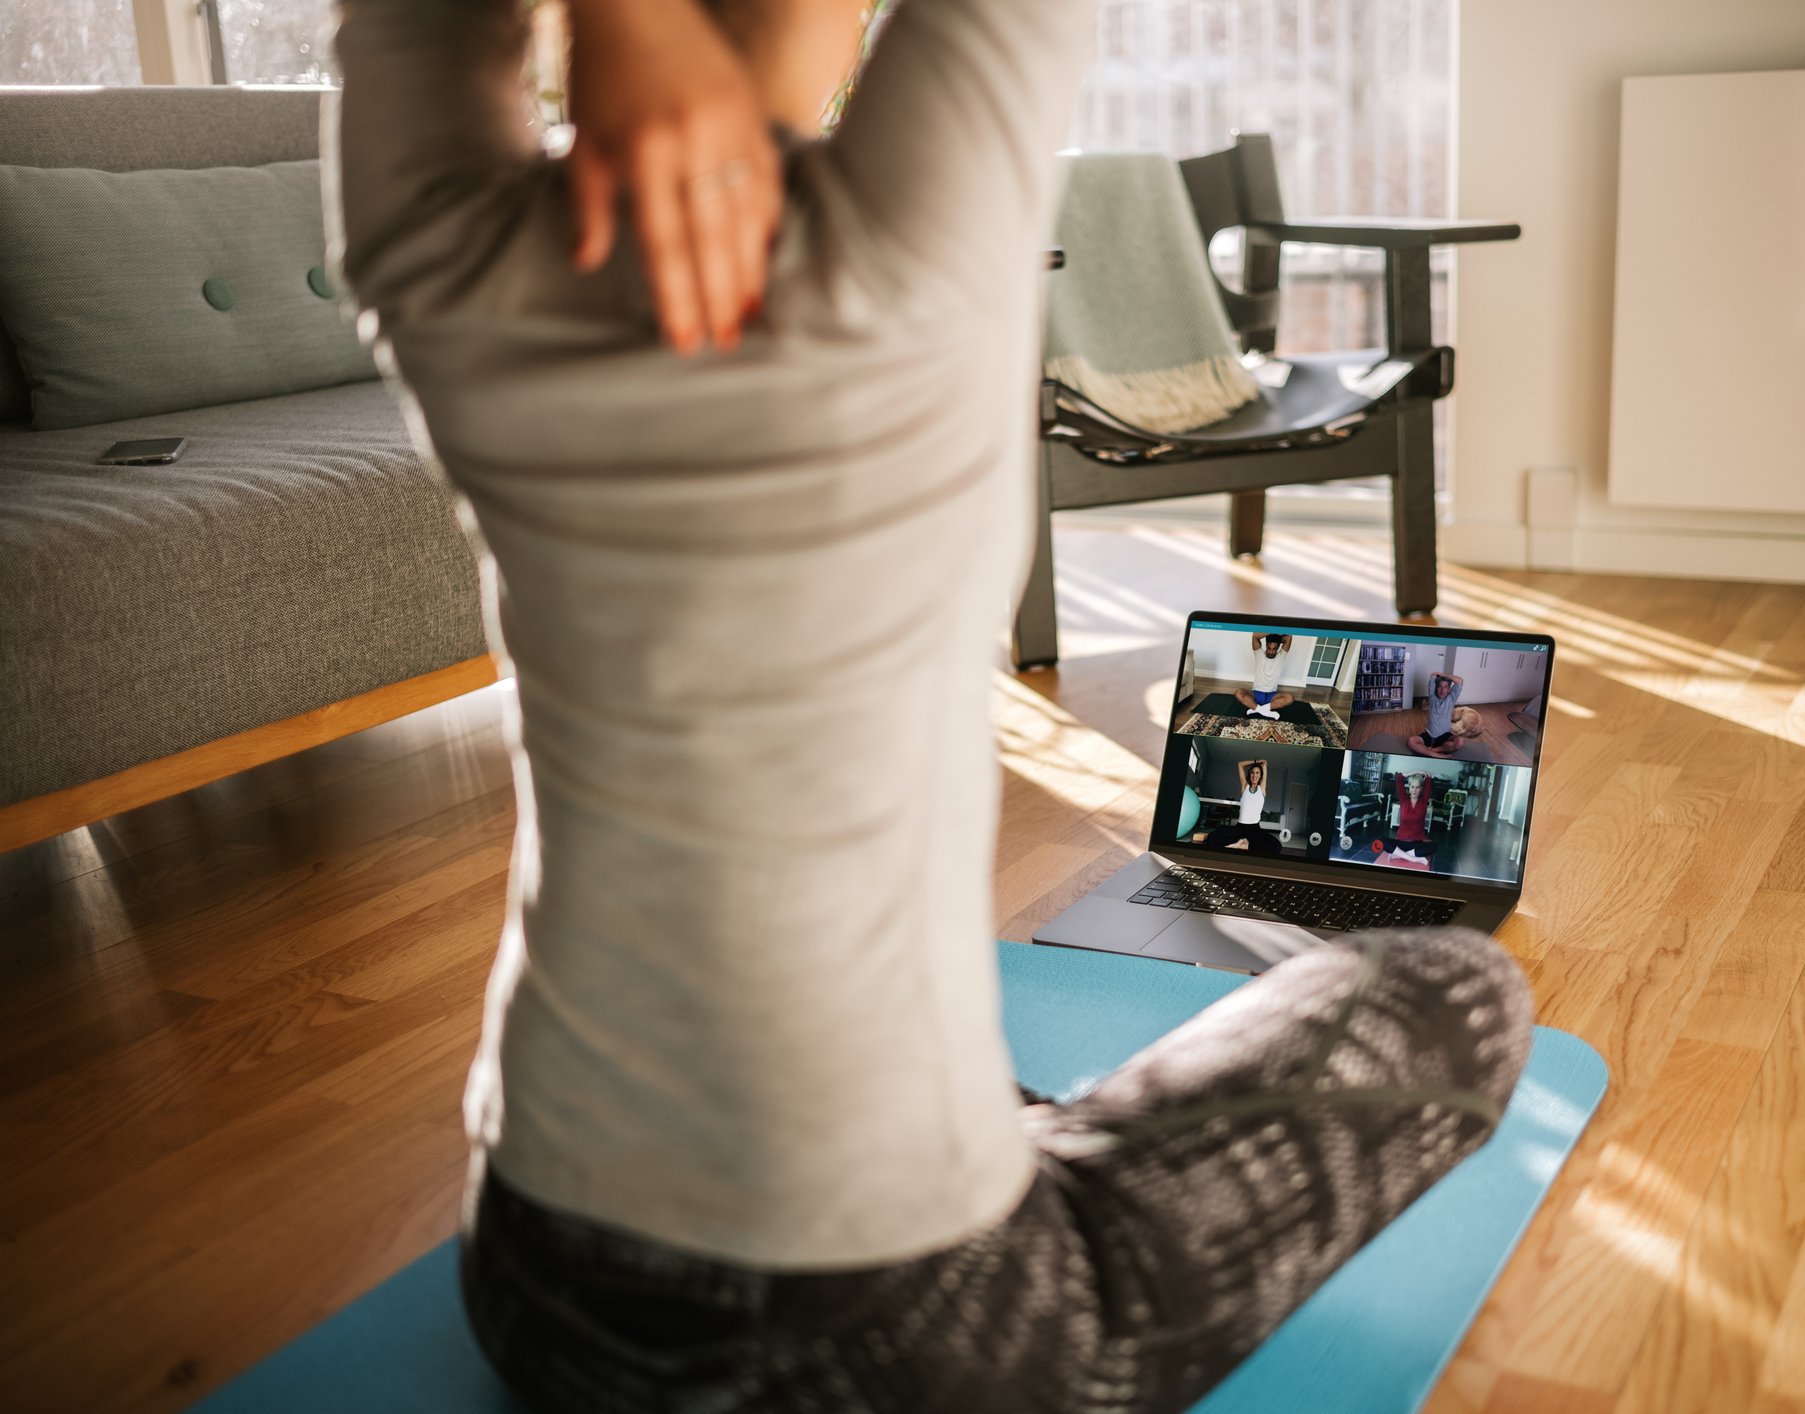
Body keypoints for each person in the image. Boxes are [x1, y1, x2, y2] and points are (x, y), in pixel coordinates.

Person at [329, 0, 1533, 1409]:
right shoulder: (901, 254)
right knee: (1457, 988)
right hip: (901, 1332)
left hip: (537, 1264)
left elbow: (406, 24)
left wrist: (623, 21)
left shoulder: (450, 259)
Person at [1408, 670, 1466, 755]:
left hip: (1445, 735)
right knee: (1411, 741)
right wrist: (1440, 677)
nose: (1442, 690)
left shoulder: (1451, 698)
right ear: (1436, 688)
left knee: (1460, 741)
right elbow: (1433, 674)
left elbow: (1460, 681)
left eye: (1445, 687)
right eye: (1440, 686)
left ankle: (1434, 750)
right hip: (1429, 735)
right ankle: (1437, 755)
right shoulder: (1432, 697)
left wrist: (1444, 675)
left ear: (1449, 689)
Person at [1243, 632, 1296, 717]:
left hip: (1272, 695)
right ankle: (1265, 711)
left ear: (1278, 647)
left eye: (1274, 648)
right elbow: (1255, 636)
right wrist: (1271, 634)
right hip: (1257, 693)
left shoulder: (1281, 656)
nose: (1271, 651)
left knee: (1290, 698)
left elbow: (1288, 637)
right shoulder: (1259, 653)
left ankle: (1257, 709)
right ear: (1266, 645)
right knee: (1239, 693)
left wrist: (1276, 639)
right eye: (1269, 648)